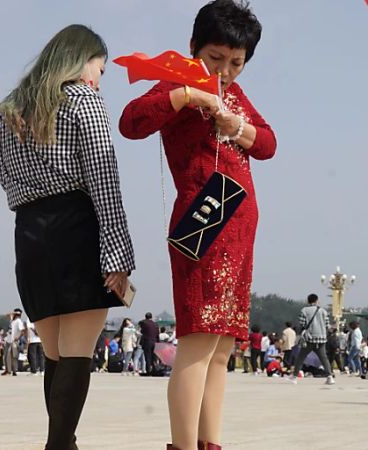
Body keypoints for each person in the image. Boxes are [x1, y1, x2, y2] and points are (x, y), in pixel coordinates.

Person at [120, 2, 275, 448]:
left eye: (236, 63)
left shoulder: (236, 96)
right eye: (215, 58)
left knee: (222, 348)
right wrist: (189, 95)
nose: (225, 71)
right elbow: (131, 122)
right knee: (198, 341)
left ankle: (210, 442)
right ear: (193, 48)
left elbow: (268, 144)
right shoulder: (180, 81)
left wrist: (236, 124)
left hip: (240, 226)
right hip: (203, 225)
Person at [0, 23, 134, 448]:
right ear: (80, 60)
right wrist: (119, 256)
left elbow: (5, 181)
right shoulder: (83, 101)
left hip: (30, 235)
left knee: (55, 354)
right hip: (76, 228)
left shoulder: (10, 114)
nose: (98, 78)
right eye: (100, 68)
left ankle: (64, 443)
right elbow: (105, 181)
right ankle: (58, 446)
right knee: (76, 354)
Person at [288, 294, 335, 386]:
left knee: (301, 357)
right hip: (321, 338)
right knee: (324, 358)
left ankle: (294, 377)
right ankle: (330, 377)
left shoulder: (304, 310)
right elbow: (326, 324)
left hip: (309, 338)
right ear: (317, 300)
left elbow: (302, 324)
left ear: (308, 301)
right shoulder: (323, 311)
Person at [3, 310, 24, 377]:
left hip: (14, 341)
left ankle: (14, 370)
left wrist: (17, 338)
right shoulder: (12, 321)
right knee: (7, 356)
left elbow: (22, 331)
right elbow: (5, 316)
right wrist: (11, 314)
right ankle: (8, 370)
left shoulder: (18, 321)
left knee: (14, 356)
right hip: (9, 341)